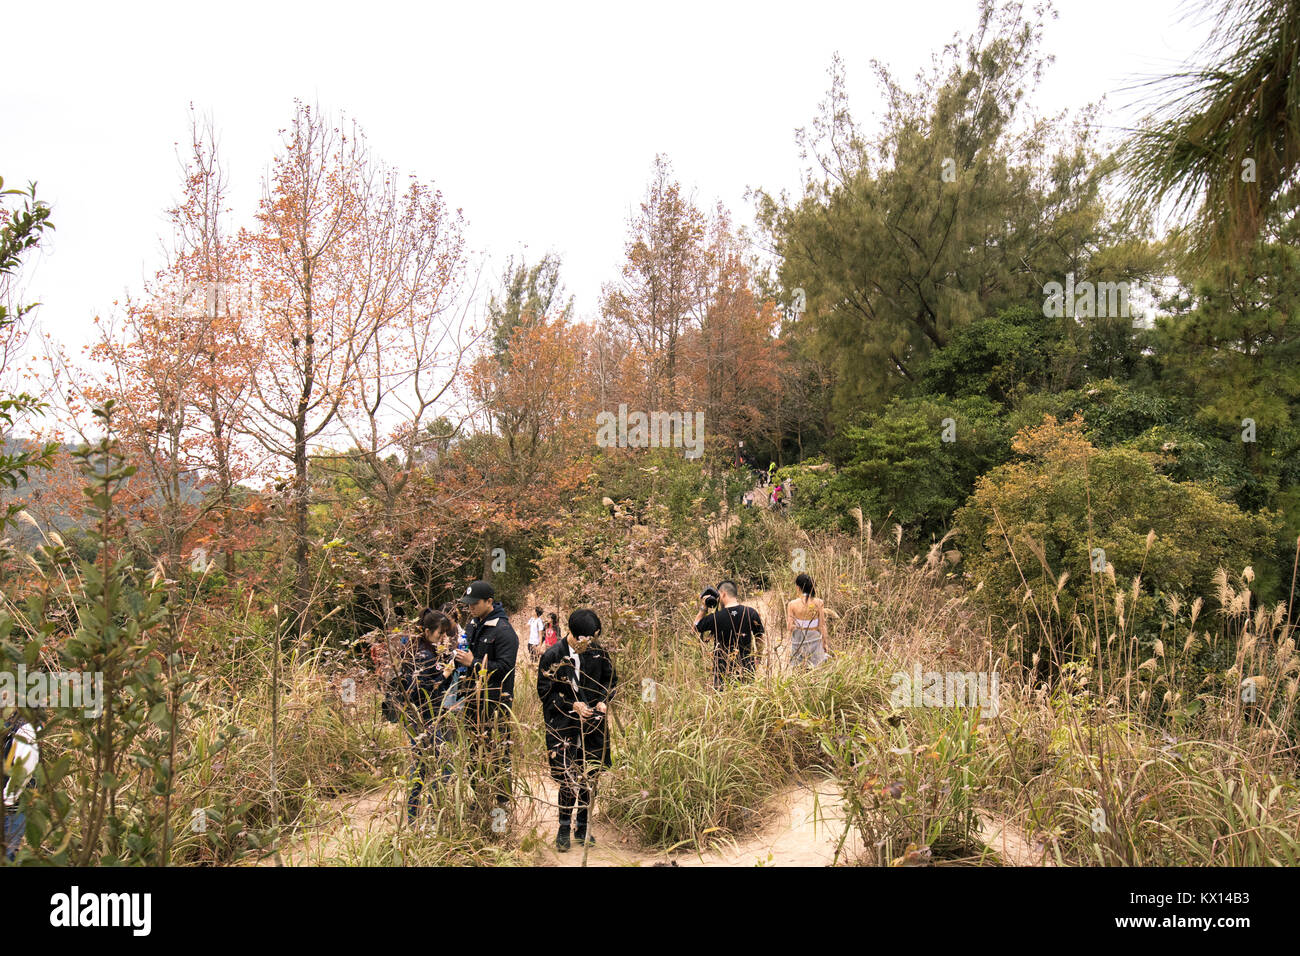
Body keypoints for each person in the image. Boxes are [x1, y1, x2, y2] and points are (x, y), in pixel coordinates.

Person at [536, 608, 617, 852]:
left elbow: (611, 680)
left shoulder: (597, 651)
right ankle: (563, 828)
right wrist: (571, 704)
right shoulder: (553, 655)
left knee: (589, 775)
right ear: (573, 634)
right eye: (585, 640)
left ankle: (582, 826)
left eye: (592, 639)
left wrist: (604, 700)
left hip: (593, 725)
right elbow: (544, 692)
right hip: (564, 727)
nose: (588, 644)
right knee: (568, 777)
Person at [381, 609, 459, 823]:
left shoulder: (418, 649)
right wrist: (444, 675)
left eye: (445, 634)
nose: (443, 638)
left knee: (422, 767)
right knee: (442, 764)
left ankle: (415, 819)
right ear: (426, 631)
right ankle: (433, 818)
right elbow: (421, 692)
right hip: (424, 718)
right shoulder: (422, 655)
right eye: (439, 634)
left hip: (418, 718)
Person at [457, 580, 519, 807]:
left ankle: (503, 804)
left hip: (495, 704)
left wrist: (473, 663)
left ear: (489, 602)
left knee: (499, 753)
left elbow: (504, 668)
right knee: (474, 752)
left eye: (475, 603)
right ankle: (478, 799)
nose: (470, 608)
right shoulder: (473, 624)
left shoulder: (504, 631)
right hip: (472, 701)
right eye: (468, 604)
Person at [694, 579, 765, 688]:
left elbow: (696, 626)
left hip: (722, 671)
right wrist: (757, 659)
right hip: (746, 668)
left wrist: (704, 607)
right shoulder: (751, 613)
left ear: (723, 594)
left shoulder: (716, 617)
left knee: (724, 701)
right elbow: (760, 639)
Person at [3, 711, 40, 862]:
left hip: (11, 810)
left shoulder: (28, 728)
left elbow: (24, 771)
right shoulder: (10, 722)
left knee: (7, 857)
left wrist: (6, 801)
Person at [787, 573, 830, 666]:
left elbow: (790, 627)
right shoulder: (819, 602)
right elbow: (822, 625)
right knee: (816, 669)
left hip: (798, 641)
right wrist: (825, 643)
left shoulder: (792, 604)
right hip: (815, 640)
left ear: (798, 587)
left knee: (798, 669)